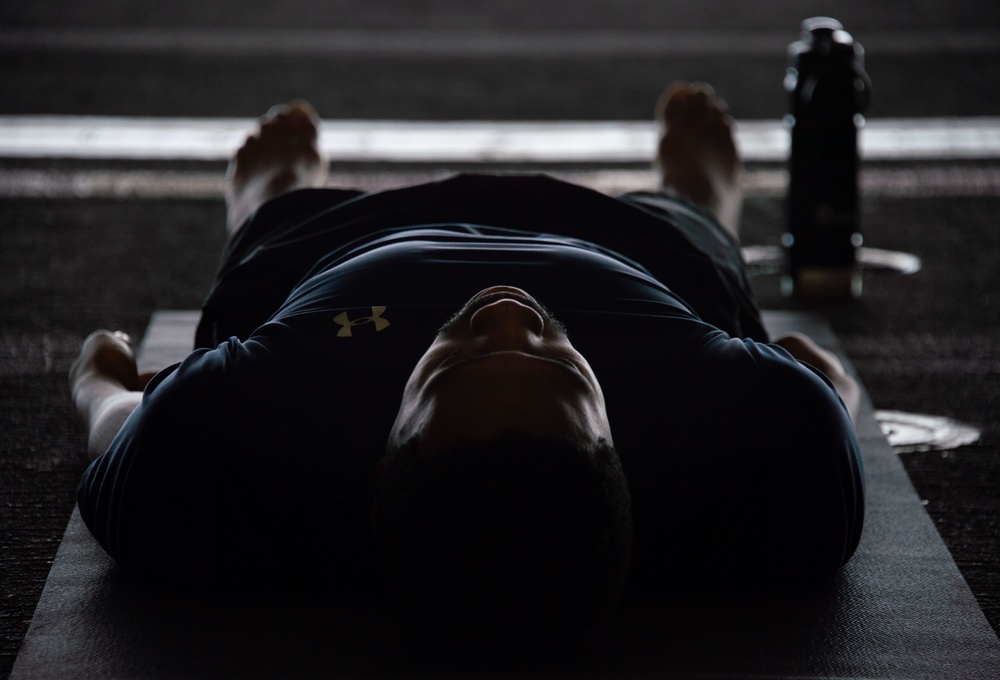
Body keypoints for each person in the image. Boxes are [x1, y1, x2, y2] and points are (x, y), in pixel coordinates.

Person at [70, 83, 864, 657]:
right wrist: (807, 368)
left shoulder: (243, 423)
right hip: (639, 242)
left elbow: (120, 424)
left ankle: (268, 194)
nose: (507, 310)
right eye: (563, 369)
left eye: (451, 368)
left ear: (385, 454)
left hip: (331, 238)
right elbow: (824, 386)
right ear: (620, 446)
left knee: (267, 236)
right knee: (699, 240)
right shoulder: (750, 429)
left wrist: (97, 376)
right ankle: (702, 197)